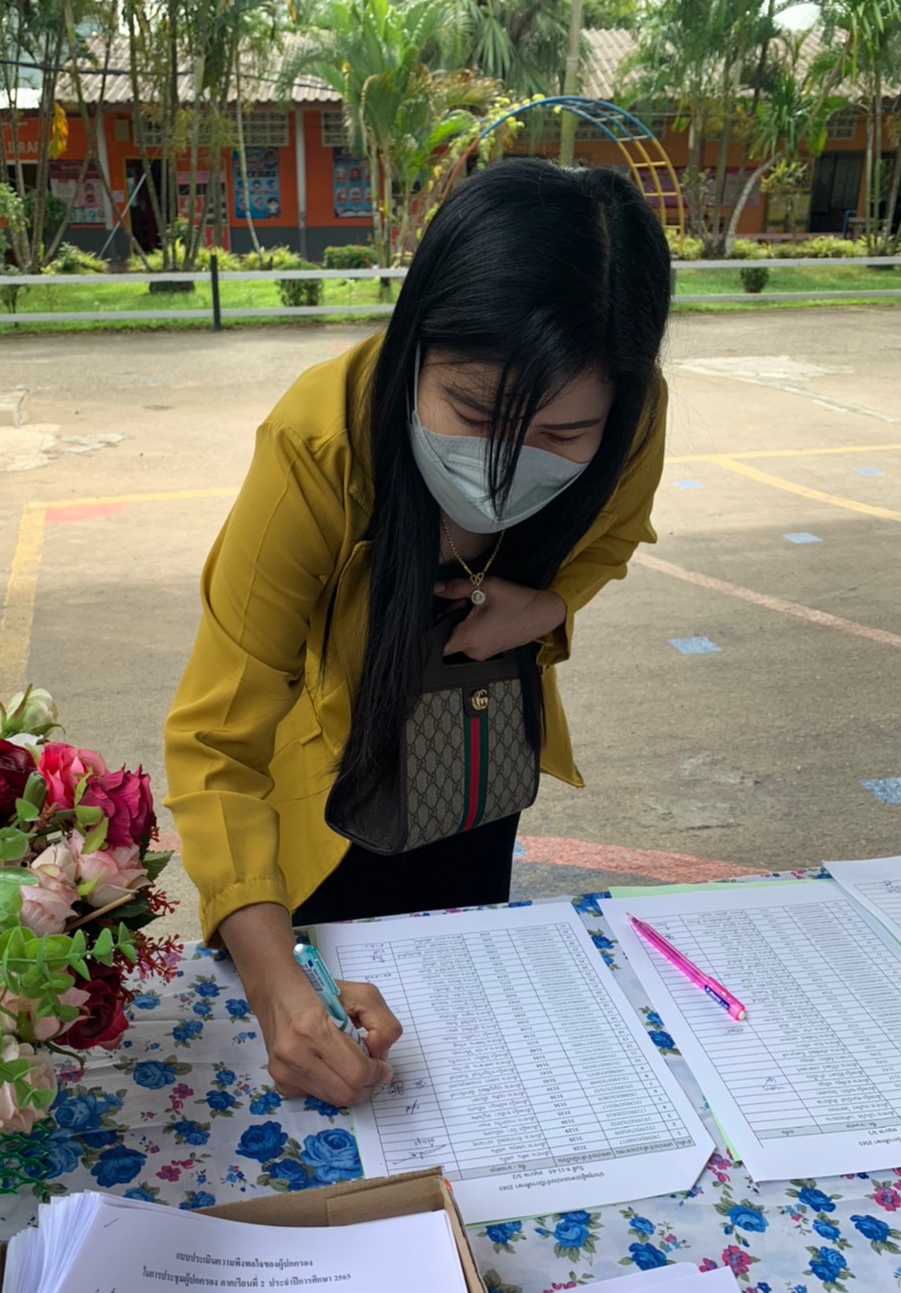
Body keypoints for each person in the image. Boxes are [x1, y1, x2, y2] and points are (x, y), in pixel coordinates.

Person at [165, 158, 672, 1109]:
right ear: (413, 345)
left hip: (476, 773)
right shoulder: (319, 447)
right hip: (328, 809)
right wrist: (277, 986)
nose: (503, 468)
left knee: (463, 1027)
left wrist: (546, 607)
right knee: (330, 1041)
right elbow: (216, 742)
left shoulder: (629, 418)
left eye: (563, 435)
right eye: (473, 412)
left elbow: (613, 537)